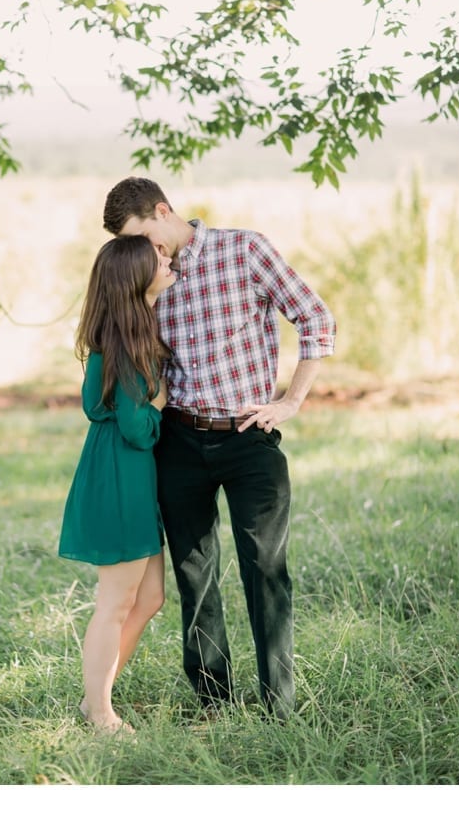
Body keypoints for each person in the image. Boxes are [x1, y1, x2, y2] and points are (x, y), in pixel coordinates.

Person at [103, 176, 336, 719]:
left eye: (148, 237)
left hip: (249, 435)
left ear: (164, 211)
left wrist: (290, 402)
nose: (148, 252)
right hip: (180, 439)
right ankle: (212, 700)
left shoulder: (245, 249)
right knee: (193, 573)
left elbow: (315, 317)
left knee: (266, 568)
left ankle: (279, 703)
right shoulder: (150, 277)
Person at [59, 235, 176, 733]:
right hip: (121, 479)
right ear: (136, 279)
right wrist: (160, 406)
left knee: (149, 599)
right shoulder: (129, 346)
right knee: (114, 603)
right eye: (159, 260)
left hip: (129, 479)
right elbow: (134, 426)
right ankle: (101, 713)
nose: (169, 260)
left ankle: (96, 698)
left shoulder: (128, 333)